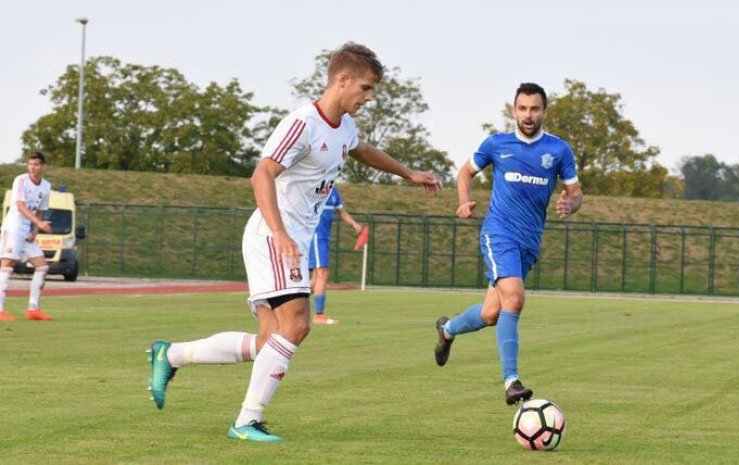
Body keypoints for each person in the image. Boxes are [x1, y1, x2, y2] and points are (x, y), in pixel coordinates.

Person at [148, 42, 440, 442]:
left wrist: (409, 173)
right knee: (299, 324)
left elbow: (364, 150)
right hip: (275, 236)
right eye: (366, 88)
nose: (369, 98)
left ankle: (172, 354)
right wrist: (281, 233)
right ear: (342, 80)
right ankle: (246, 421)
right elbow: (261, 174)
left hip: (289, 238)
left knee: (271, 340)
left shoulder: (345, 127)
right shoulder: (302, 122)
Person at [433, 83, 583, 405]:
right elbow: (465, 172)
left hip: (529, 241)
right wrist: (463, 201)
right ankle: (512, 381)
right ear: (513, 110)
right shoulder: (497, 144)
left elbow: (576, 192)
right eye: (522, 108)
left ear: (544, 111)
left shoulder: (558, 151)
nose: (528, 115)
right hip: (499, 233)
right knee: (513, 299)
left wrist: (571, 205)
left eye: (535, 109)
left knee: (491, 313)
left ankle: (448, 329)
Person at [0, 152, 53, 322]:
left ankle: (33, 309)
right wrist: (40, 222)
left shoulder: (46, 186)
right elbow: (20, 206)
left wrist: (35, 231)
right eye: (30, 164)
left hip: (26, 231)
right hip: (14, 228)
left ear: (43, 166)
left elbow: (40, 209)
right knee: (7, 264)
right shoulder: (21, 180)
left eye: (36, 164)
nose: (32, 167)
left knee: (42, 266)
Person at [309, 185, 362, 325]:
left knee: (315, 279)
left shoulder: (333, 190)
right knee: (322, 274)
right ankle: (319, 315)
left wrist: (354, 224)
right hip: (316, 236)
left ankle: (287, 306)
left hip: (324, 237)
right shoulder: (314, 185)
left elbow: (342, 212)